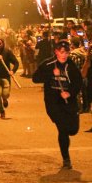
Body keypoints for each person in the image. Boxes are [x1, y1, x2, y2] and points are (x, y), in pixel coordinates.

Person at [32, 41, 82, 169]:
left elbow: (78, 82)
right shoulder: (48, 64)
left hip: (69, 103)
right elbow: (35, 78)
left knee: (73, 129)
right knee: (63, 129)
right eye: (61, 52)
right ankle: (66, 158)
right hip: (54, 103)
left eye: (66, 52)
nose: (64, 55)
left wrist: (70, 93)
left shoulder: (71, 65)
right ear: (56, 52)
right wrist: (50, 74)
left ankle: (68, 136)